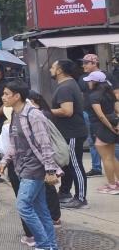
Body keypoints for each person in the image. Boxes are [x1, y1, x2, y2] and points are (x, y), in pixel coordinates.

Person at [0, 82, 62, 250]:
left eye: (6, 94)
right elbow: (14, 143)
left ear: (17, 96)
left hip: (34, 168)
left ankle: (43, 244)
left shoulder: (34, 115)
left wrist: (50, 170)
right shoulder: (15, 115)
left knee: (23, 205)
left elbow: (45, 144)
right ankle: (51, 246)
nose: (3, 97)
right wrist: (5, 161)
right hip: (23, 166)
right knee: (41, 209)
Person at [49, 59, 88, 209]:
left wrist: (46, 111)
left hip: (72, 132)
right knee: (67, 164)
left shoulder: (65, 87)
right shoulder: (67, 85)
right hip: (68, 132)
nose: (50, 70)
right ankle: (65, 193)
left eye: (53, 67)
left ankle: (81, 198)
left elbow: (67, 111)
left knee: (75, 164)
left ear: (59, 70)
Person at [83, 71, 119, 195]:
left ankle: (112, 185)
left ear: (94, 82)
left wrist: (110, 128)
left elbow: (101, 116)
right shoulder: (110, 94)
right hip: (113, 125)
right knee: (112, 157)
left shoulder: (94, 96)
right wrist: (116, 125)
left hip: (101, 128)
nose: (88, 83)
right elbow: (117, 110)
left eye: (89, 80)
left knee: (106, 158)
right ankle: (116, 183)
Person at [79, 54, 109, 177]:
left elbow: (116, 93)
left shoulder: (107, 76)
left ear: (94, 63)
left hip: (106, 113)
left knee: (111, 143)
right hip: (88, 113)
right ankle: (96, 167)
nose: (83, 65)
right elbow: (82, 94)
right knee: (93, 141)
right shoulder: (83, 78)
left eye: (86, 63)